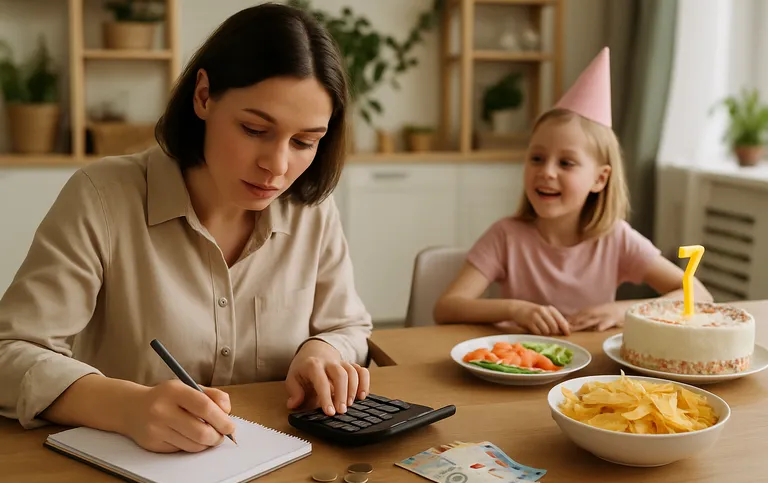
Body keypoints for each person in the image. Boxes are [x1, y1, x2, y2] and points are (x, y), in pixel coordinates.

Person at [0, 3, 372, 453]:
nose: (276, 166)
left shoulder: (312, 210)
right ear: (203, 96)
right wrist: (125, 407)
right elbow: (10, 352)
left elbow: (350, 328)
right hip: (126, 473)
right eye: (254, 129)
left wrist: (322, 351)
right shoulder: (102, 196)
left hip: (277, 466)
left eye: (304, 142)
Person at [433, 47, 712, 335]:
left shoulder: (615, 239)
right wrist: (516, 309)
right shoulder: (505, 236)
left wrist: (624, 311)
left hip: (591, 373)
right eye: (537, 158)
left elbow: (698, 295)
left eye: (566, 163)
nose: (547, 172)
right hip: (520, 366)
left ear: (600, 179)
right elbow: (448, 307)